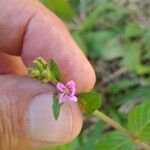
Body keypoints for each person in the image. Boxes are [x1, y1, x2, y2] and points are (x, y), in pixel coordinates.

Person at [0, 0, 95, 149]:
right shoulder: (62, 89)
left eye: (67, 90)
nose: (67, 90)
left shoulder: (67, 90)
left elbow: (66, 88)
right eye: (66, 90)